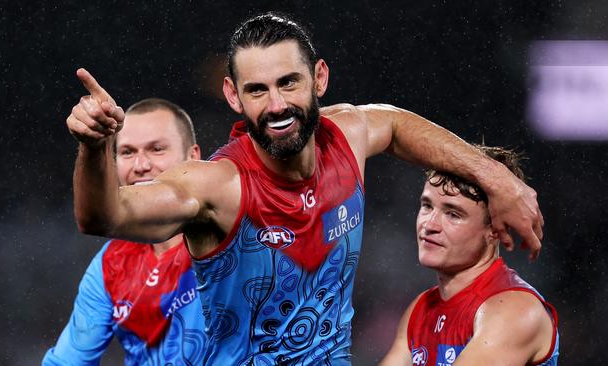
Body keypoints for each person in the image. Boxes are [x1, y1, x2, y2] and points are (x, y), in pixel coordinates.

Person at [65, 13, 544, 365]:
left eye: (289, 83)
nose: (277, 105)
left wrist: (496, 177)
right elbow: (103, 216)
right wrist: (92, 149)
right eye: (257, 90)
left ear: (319, 78)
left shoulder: (348, 137)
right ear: (233, 95)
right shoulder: (215, 185)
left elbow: (396, 125)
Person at [44, 98, 207, 365]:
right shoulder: (110, 267)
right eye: (128, 152)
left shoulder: (231, 234)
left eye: (156, 149)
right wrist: (94, 144)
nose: (140, 165)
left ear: (193, 157)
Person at [379, 145, 559, 366]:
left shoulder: (515, 310)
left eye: (453, 214)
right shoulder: (419, 309)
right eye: (427, 206)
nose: (429, 225)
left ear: (495, 230)